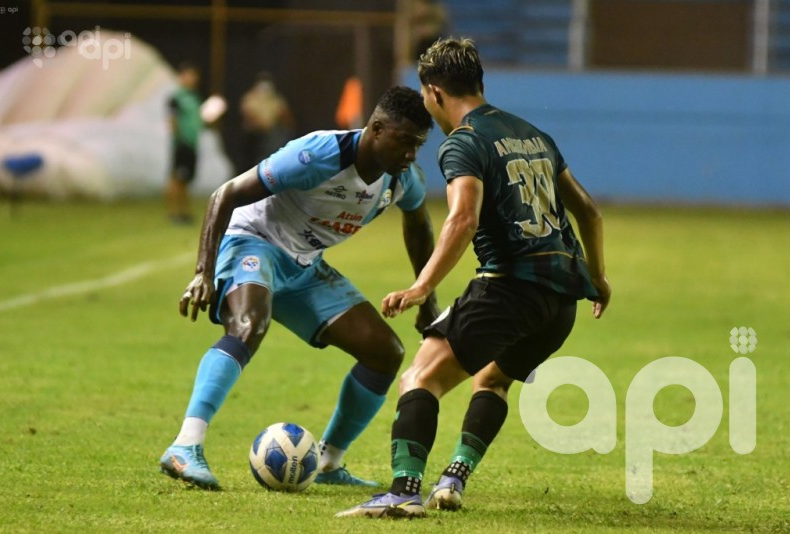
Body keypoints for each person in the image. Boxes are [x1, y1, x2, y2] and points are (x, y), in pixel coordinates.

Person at [338, 38, 612, 518]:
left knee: (420, 378)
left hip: (509, 287)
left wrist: (421, 285)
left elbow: (462, 218)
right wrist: (599, 276)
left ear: (434, 92)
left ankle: (403, 492)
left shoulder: (464, 142)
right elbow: (588, 211)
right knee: (492, 379)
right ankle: (453, 479)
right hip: (562, 300)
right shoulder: (532, 134)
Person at [159, 85, 440, 491]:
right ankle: (185, 446)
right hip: (254, 241)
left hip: (305, 265)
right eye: (405, 142)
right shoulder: (318, 155)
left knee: (385, 352)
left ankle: (328, 463)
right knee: (248, 325)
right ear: (377, 128)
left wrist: (426, 297)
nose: (412, 155)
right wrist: (204, 271)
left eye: (418, 145)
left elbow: (418, 225)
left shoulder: (402, 179)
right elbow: (228, 193)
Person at [167, 62, 204, 225]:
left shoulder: (195, 97)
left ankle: (184, 211)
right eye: (189, 75)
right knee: (177, 177)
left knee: (187, 178)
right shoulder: (176, 98)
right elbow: (172, 120)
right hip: (182, 144)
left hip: (193, 143)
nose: (192, 78)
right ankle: (174, 212)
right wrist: (179, 139)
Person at [240, 72, 295, 169]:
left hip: (270, 136)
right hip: (254, 137)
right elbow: (249, 116)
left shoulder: (275, 99)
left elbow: (285, 116)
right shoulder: (250, 98)